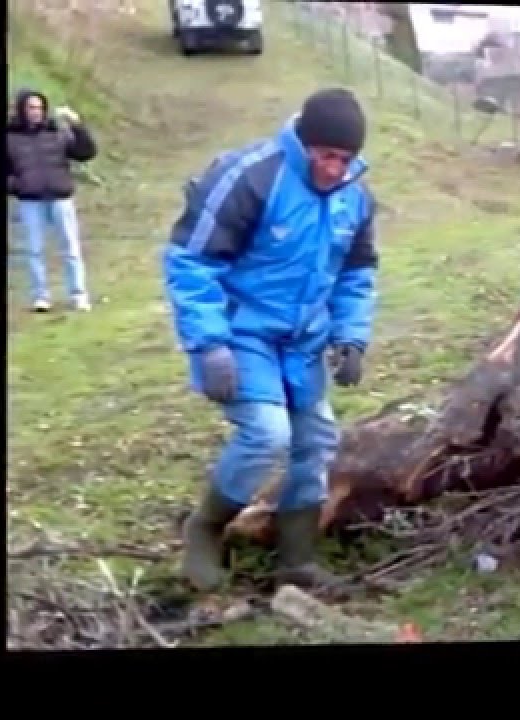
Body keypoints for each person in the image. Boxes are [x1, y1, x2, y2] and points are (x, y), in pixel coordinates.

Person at [162, 88, 378, 593]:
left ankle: (297, 559)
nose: (334, 169)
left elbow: (356, 273)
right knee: (266, 434)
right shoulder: (251, 177)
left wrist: (351, 336)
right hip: (242, 334)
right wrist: (209, 344)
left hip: (302, 342)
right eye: (326, 156)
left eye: (345, 159)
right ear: (303, 144)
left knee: (316, 442)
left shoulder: (355, 196)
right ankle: (205, 529)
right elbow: (190, 261)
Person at [6, 88, 98, 312]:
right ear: (21, 110)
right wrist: (17, 186)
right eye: (31, 107)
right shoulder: (10, 138)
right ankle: (40, 296)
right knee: (34, 249)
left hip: (60, 197)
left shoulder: (57, 132)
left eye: (39, 107)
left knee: (70, 247)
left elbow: (85, 153)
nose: (35, 112)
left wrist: (77, 126)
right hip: (30, 201)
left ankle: (78, 294)